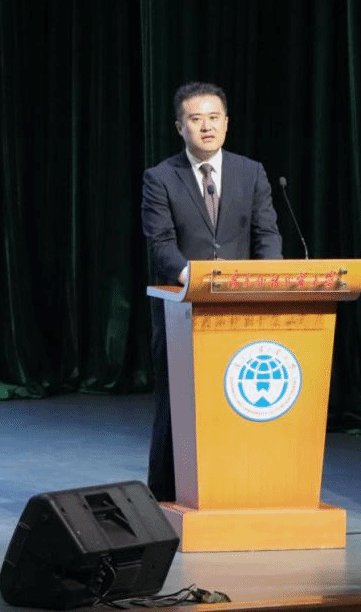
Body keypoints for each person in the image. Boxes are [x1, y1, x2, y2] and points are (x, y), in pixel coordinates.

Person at [141, 81, 282, 501]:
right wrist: (195, 278)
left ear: (227, 123)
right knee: (178, 404)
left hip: (241, 309)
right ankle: (167, 494)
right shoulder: (160, 178)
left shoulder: (250, 172)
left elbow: (267, 234)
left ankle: (239, 486)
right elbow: (161, 244)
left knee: (236, 399)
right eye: (196, 119)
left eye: (214, 118)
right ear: (180, 127)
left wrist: (269, 281)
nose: (207, 127)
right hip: (182, 307)